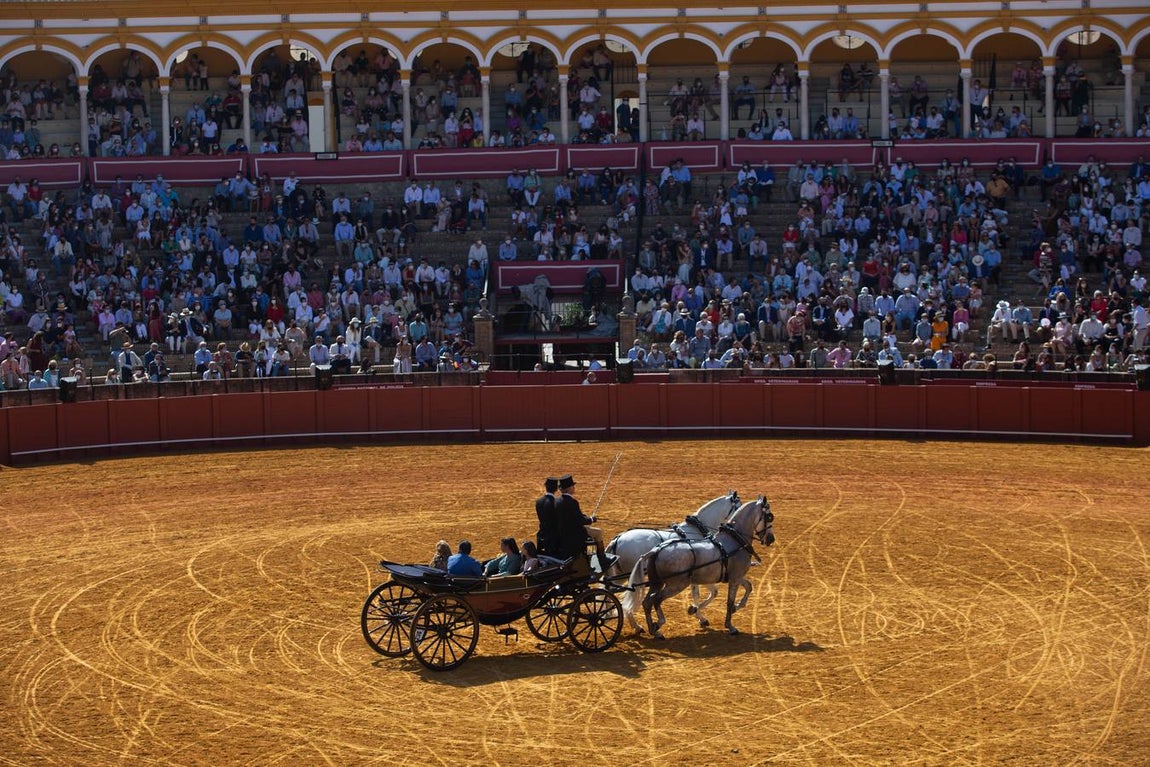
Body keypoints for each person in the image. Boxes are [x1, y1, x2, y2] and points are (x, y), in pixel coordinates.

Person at [551, 474, 613, 570]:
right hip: (576, 533)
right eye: (572, 486)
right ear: (568, 488)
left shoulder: (556, 501)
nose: (574, 488)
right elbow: (580, 520)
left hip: (564, 533)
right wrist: (591, 519)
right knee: (597, 533)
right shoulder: (572, 502)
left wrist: (585, 517)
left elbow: (573, 517)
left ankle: (593, 559)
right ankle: (600, 559)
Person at [535, 476, 560, 555]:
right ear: (556, 489)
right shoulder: (556, 503)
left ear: (546, 487)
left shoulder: (538, 502)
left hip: (542, 534)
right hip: (553, 537)